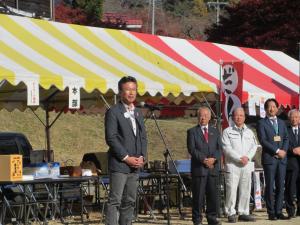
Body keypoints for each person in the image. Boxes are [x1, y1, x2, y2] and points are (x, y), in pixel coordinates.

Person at [105, 76, 147, 225]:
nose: (131, 93)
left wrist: (142, 157)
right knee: (115, 200)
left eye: (134, 89)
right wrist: (126, 157)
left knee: (130, 200)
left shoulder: (138, 112)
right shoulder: (113, 111)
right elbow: (111, 138)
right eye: (128, 89)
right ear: (120, 92)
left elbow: (142, 137)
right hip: (120, 164)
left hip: (135, 165)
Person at [187, 106, 222, 225]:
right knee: (198, 196)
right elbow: (192, 149)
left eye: (206, 116)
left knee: (212, 195)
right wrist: (204, 159)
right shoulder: (192, 132)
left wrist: (214, 159)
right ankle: (197, 219)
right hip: (199, 169)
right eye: (201, 116)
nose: (203, 118)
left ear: (210, 117)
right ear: (198, 117)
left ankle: (212, 217)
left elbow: (219, 149)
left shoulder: (215, 131)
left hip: (213, 169)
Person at [222, 107, 257, 222]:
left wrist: (247, 157)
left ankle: (243, 212)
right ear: (232, 117)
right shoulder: (227, 131)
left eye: (241, 115)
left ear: (244, 117)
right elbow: (226, 148)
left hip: (247, 164)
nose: (239, 117)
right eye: (236, 115)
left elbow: (254, 146)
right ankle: (230, 212)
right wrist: (239, 158)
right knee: (231, 189)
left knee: (245, 189)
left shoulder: (250, 132)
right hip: (233, 165)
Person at [256, 98, 289, 220]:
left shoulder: (282, 122)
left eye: (274, 106)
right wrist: (276, 151)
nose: (272, 109)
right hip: (270, 159)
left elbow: (286, 138)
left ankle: (279, 210)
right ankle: (271, 212)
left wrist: (284, 151)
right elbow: (263, 140)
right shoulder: (261, 123)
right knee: (270, 186)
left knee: (281, 185)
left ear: (277, 108)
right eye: (269, 107)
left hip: (282, 160)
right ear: (265, 109)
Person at [285, 109, 300, 218]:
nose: (294, 119)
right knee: (290, 188)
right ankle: (290, 210)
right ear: (289, 118)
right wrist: (292, 150)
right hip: (291, 162)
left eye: (296, 117)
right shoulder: (285, 130)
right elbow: (283, 144)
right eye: (292, 117)